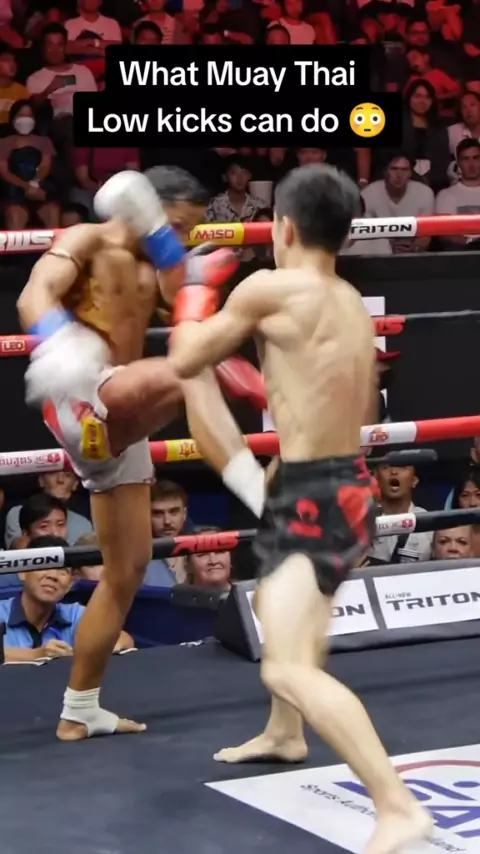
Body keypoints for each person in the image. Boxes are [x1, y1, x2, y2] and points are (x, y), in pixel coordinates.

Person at [169, 164, 432, 854]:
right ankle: (286, 732)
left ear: (282, 227)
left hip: (317, 494)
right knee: (285, 614)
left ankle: (397, 806)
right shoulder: (348, 300)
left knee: (285, 664)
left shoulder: (270, 288)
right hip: (335, 484)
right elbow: (330, 397)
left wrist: (192, 287)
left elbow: (187, 354)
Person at [17, 165, 266, 741]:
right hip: (81, 391)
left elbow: (185, 301)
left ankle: (80, 709)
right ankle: (253, 485)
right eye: (174, 225)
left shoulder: (160, 261)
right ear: (148, 208)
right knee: (190, 368)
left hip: (121, 413)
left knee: (125, 572)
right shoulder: (87, 239)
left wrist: (180, 260)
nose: (179, 238)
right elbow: (33, 295)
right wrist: (59, 343)